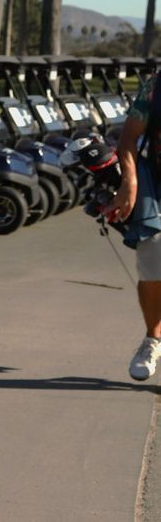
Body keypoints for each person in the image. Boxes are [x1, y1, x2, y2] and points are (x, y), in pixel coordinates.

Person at [107, 70, 161, 381]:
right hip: (156, 182)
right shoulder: (156, 86)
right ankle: (152, 339)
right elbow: (128, 139)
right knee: (153, 260)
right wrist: (130, 182)